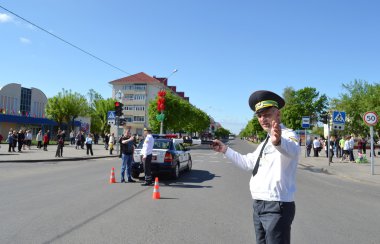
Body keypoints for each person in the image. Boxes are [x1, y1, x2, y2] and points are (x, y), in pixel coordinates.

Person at [212, 90, 300, 244]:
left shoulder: (287, 135)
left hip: (276, 206)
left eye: (267, 114)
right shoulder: (264, 142)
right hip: (259, 204)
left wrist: (278, 142)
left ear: (277, 115)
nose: (262, 119)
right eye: (259, 115)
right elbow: (248, 163)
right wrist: (225, 149)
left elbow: (292, 150)